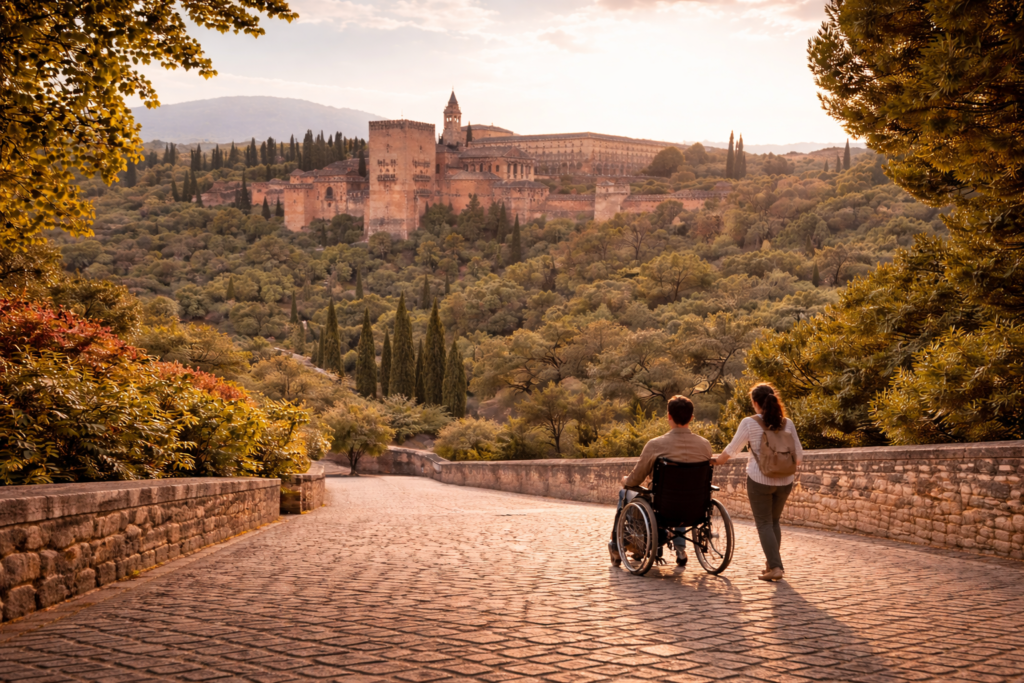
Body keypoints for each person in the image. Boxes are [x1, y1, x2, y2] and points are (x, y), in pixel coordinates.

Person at [609, 395, 723, 567]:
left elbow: (636, 478)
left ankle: (617, 546)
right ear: (692, 418)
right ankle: (680, 550)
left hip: (664, 506)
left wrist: (626, 480)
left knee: (624, 492)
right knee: (684, 493)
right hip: (695, 507)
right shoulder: (705, 445)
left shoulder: (655, 445)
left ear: (668, 416)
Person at [715, 383, 802, 582]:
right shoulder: (787, 423)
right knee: (774, 522)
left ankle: (776, 566)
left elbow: (732, 449)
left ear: (755, 403)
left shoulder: (749, 423)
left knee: (764, 524)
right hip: (785, 480)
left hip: (759, 479)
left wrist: (717, 460)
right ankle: (772, 564)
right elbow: (799, 457)